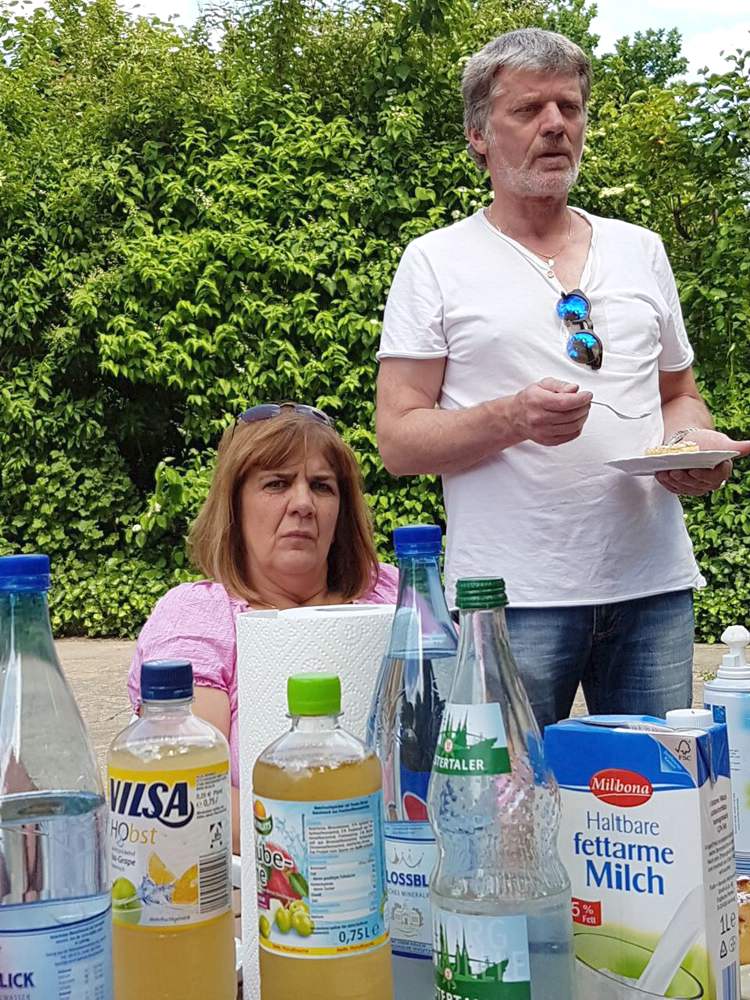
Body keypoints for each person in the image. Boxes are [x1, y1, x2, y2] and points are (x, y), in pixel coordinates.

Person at [375, 28, 750, 729]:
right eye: (528, 109)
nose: (555, 125)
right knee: (510, 792)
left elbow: (679, 395)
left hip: (653, 589)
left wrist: (691, 447)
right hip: (509, 602)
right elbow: (398, 439)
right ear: (479, 136)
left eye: (569, 107)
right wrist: (512, 418)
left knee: (659, 793)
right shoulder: (435, 262)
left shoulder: (641, 250)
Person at [128, 403, 398, 852]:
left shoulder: (394, 593)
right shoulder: (198, 616)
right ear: (234, 504)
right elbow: (190, 785)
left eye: (322, 486)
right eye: (276, 483)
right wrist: (326, 839)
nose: (303, 504)